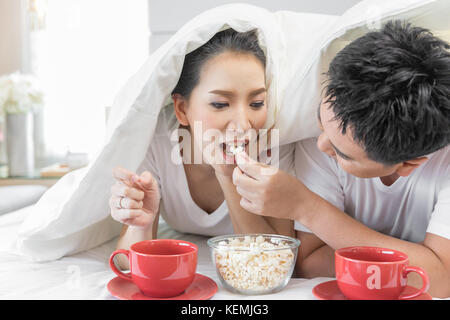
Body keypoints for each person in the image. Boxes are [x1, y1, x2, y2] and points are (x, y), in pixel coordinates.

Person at [231, 21, 450, 298]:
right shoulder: (323, 136)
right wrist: (418, 255)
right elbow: (310, 263)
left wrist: (308, 208)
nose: (322, 145)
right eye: (321, 123)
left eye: (343, 154)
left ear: (409, 164)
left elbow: (440, 279)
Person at [108, 29, 294, 269]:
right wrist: (141, 224)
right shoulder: (157, 140)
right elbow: (125, 261)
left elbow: (277, 261)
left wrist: (227, 175)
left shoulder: (276, 142)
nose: (243, 124)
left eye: (256, 103)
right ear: (182, 109)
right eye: (220, 104)